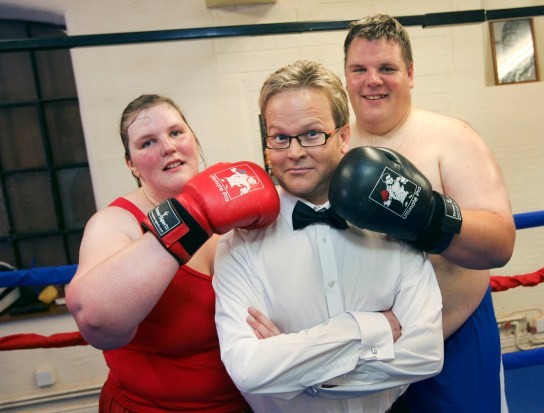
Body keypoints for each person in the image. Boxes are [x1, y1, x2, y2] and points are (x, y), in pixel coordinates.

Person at [213, 60, 444, 413]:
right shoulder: (239, 243)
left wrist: (300, 371)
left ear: (343, 137)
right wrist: (372, 329)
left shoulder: (392, 221)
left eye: (311, 134)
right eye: (280, 137)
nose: (294, 153)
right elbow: (248, 370)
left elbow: (426, 354)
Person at [337, 14, 516, 413]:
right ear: (345, 77)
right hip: (371, 351)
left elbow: (501, 242)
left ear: (411, 73)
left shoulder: (452, 138)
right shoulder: (334, 149)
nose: (372, 80)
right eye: (359, 69)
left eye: (387, 68)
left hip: (454, 342)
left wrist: (430, 219)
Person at [65, 94, 280, 413]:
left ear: (193, 139)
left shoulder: (236, 203)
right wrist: (188, 218)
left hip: (251, 404)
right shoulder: (115, 223)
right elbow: (96, 322)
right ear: (131, 164)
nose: (167, 147)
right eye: (147, 142)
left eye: (176, 132)